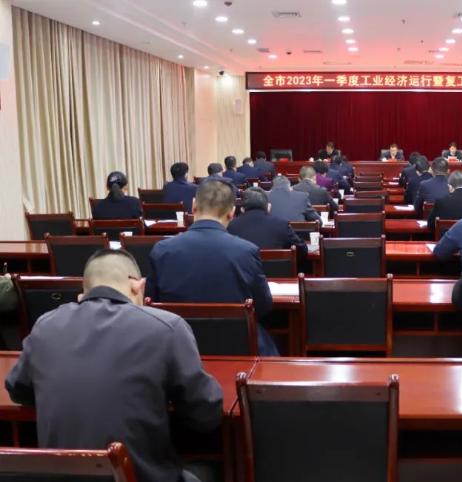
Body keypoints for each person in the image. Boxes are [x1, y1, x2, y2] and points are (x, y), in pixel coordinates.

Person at [6, 249, 223, 482]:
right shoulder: (167, 327)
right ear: (138, 286)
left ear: (82, 294)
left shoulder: (45, 326)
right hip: (141, 476)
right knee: (209, 470)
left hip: (61, 477)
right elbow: (206, 412)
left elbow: (18, 389)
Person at [147, 179, 277, 355]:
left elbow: (151, 306)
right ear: (232, 213)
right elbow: (263, 306)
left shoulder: (162, 250)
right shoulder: (247, 251)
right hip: (236, 348)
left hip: (177, 348)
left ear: (194, 205)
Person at [228, 187, 308, 257]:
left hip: (245, 270)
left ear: (242, 209)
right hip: (277, 270)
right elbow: (302, 250)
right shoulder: (281, 225)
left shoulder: (231, 226)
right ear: (268, 207)